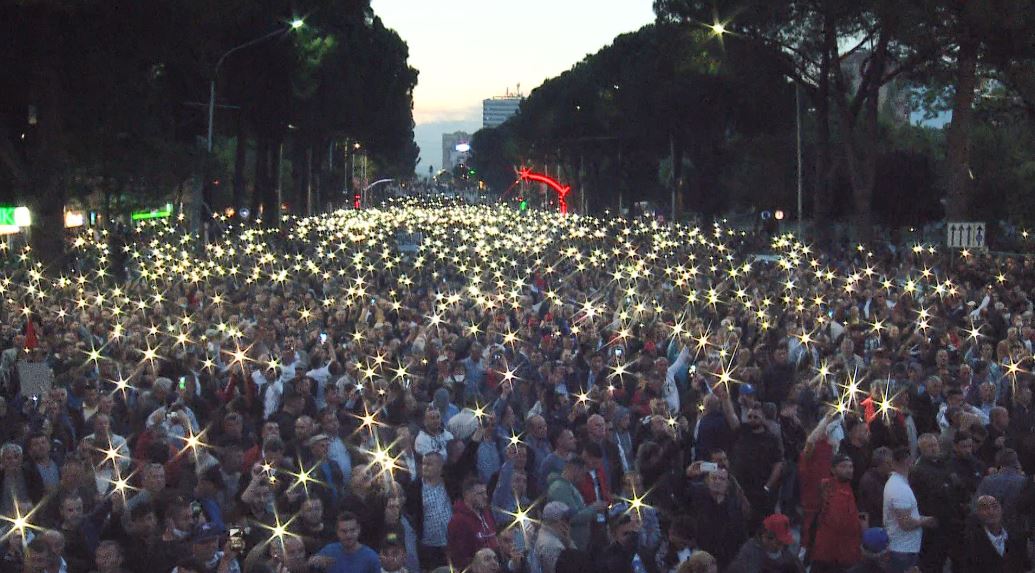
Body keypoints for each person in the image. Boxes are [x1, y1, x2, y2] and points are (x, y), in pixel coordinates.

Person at [882, 447, 936, 573]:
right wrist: (926, 521)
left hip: (903, 548)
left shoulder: (898, 483)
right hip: (902, 550)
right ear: (909, 461)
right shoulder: (899, 488)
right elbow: (905, 523)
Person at [809, 454, 864, 571]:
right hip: (832, 553)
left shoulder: (846, 488)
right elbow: (839, 524)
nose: (848, 470)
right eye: (843, 467)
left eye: (850, 467)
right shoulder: (832, 491)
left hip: (840, 552)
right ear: (833, 470)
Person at [960, 495, 1029, 572]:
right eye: (985, 508)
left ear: (1001, 509)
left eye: (995, 506)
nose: (991, 512)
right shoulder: (972, 544)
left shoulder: (1017, 540)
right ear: (978, 513)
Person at [446, 478, 497, 568]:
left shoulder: (487, 513)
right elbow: (459, 558)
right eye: (480, 494)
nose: (485, 496)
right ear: (467, 495)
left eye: (485, 493)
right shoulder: (458, 521)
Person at [725, 513, 804, 573]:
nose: (780, 547)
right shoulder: (750, 551)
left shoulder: (787, 554)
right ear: (766, 537)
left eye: (783, 542)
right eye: (778, 542)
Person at [311, 511, 380, 573]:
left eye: (352, 530)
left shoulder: (371, 558)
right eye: (344, 531)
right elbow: (312, 563)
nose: (348, 535)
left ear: (358, 529)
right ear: (337, 532)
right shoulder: (328, 551)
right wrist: (314, 562)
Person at [534, 502, 575, 573]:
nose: (569, 523)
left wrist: (567, 541)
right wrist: (570, 544)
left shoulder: (545, 535)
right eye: (567, 519)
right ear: (558, 522)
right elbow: (575, 566)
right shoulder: (552, 545)